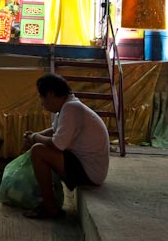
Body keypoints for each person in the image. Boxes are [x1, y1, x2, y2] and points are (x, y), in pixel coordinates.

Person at [23, 73, 109, 219]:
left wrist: (35, 137)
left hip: (90, 172)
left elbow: (57, 144)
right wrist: (36, 135)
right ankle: (49, 202)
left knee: (38, 151)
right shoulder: (68, 106)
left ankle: (50, 208)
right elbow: (55, 130)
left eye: (41, 97)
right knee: (39, 147)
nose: (41, 103)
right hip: (88, 167)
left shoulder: (71, 108)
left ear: (51, 94)